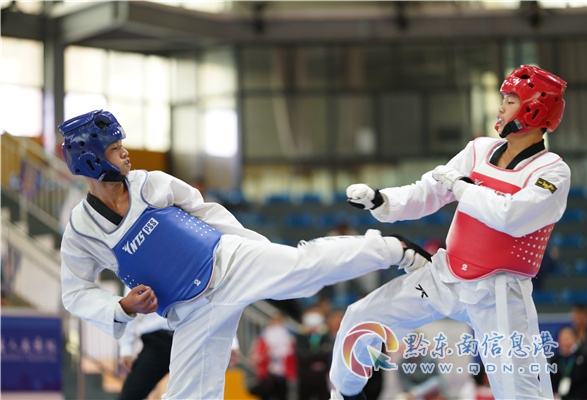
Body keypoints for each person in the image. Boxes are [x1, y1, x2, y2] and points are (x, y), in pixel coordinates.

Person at [57, 109, 429, 399]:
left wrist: (254, 246)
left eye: (121, 144)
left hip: (228, 261)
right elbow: (75, 292)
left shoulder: (150, 183)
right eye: (114, 148)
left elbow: (205, 212)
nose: (124, 152)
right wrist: (121, 308)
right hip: (190, 313)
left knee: (304, 269)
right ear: (91, 161)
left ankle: (391, 248)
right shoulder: (82, 231)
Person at [329, 65, 570, 400]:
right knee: (361, 317)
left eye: (510, 101)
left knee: (520, 392)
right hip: (446, 276)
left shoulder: (552, 171)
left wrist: (463, 188)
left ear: (534, 110)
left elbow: (511, 217)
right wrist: (383, 201)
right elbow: (428, 191)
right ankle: (346, 394)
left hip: (499, 293)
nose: (501, 108)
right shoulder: (478, 151)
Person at [249, 314, 297, 400]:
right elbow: (254, 358)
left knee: (282, 395)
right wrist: (266, 352)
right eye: (274, 321)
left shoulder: (289, 340)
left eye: (279, 321)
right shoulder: (262, 339)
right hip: (267, 374)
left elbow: (293, 358)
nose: (276, 324)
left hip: (282, 374)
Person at [295, 307, 332, 400]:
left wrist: (309, 354)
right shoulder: (301, 337)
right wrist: (319, 354)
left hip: (321, 377)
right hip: (305, 376)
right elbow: (301, 354)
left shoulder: (325, 336)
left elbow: (328, 352)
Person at [548, 326, 587, 399]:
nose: (564, 342)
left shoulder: (584, 358)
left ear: (575, 339)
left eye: (567, 338)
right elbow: (551, 381)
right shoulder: (555, 360)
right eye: (561, 339)